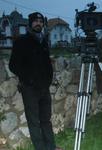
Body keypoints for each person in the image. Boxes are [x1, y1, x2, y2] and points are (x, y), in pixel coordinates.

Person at [9, 12, 62, 150]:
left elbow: (46, 63)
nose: (38, 23)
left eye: (40, 21)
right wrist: (29, 79)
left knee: (46, 120)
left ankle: (51, 146)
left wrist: (48, 78)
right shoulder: (21, 41)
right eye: (35, 21)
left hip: (44, 88)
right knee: (34, 122)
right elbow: (13, 65)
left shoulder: (43, 41)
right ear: (30, 23)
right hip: (30, 89)